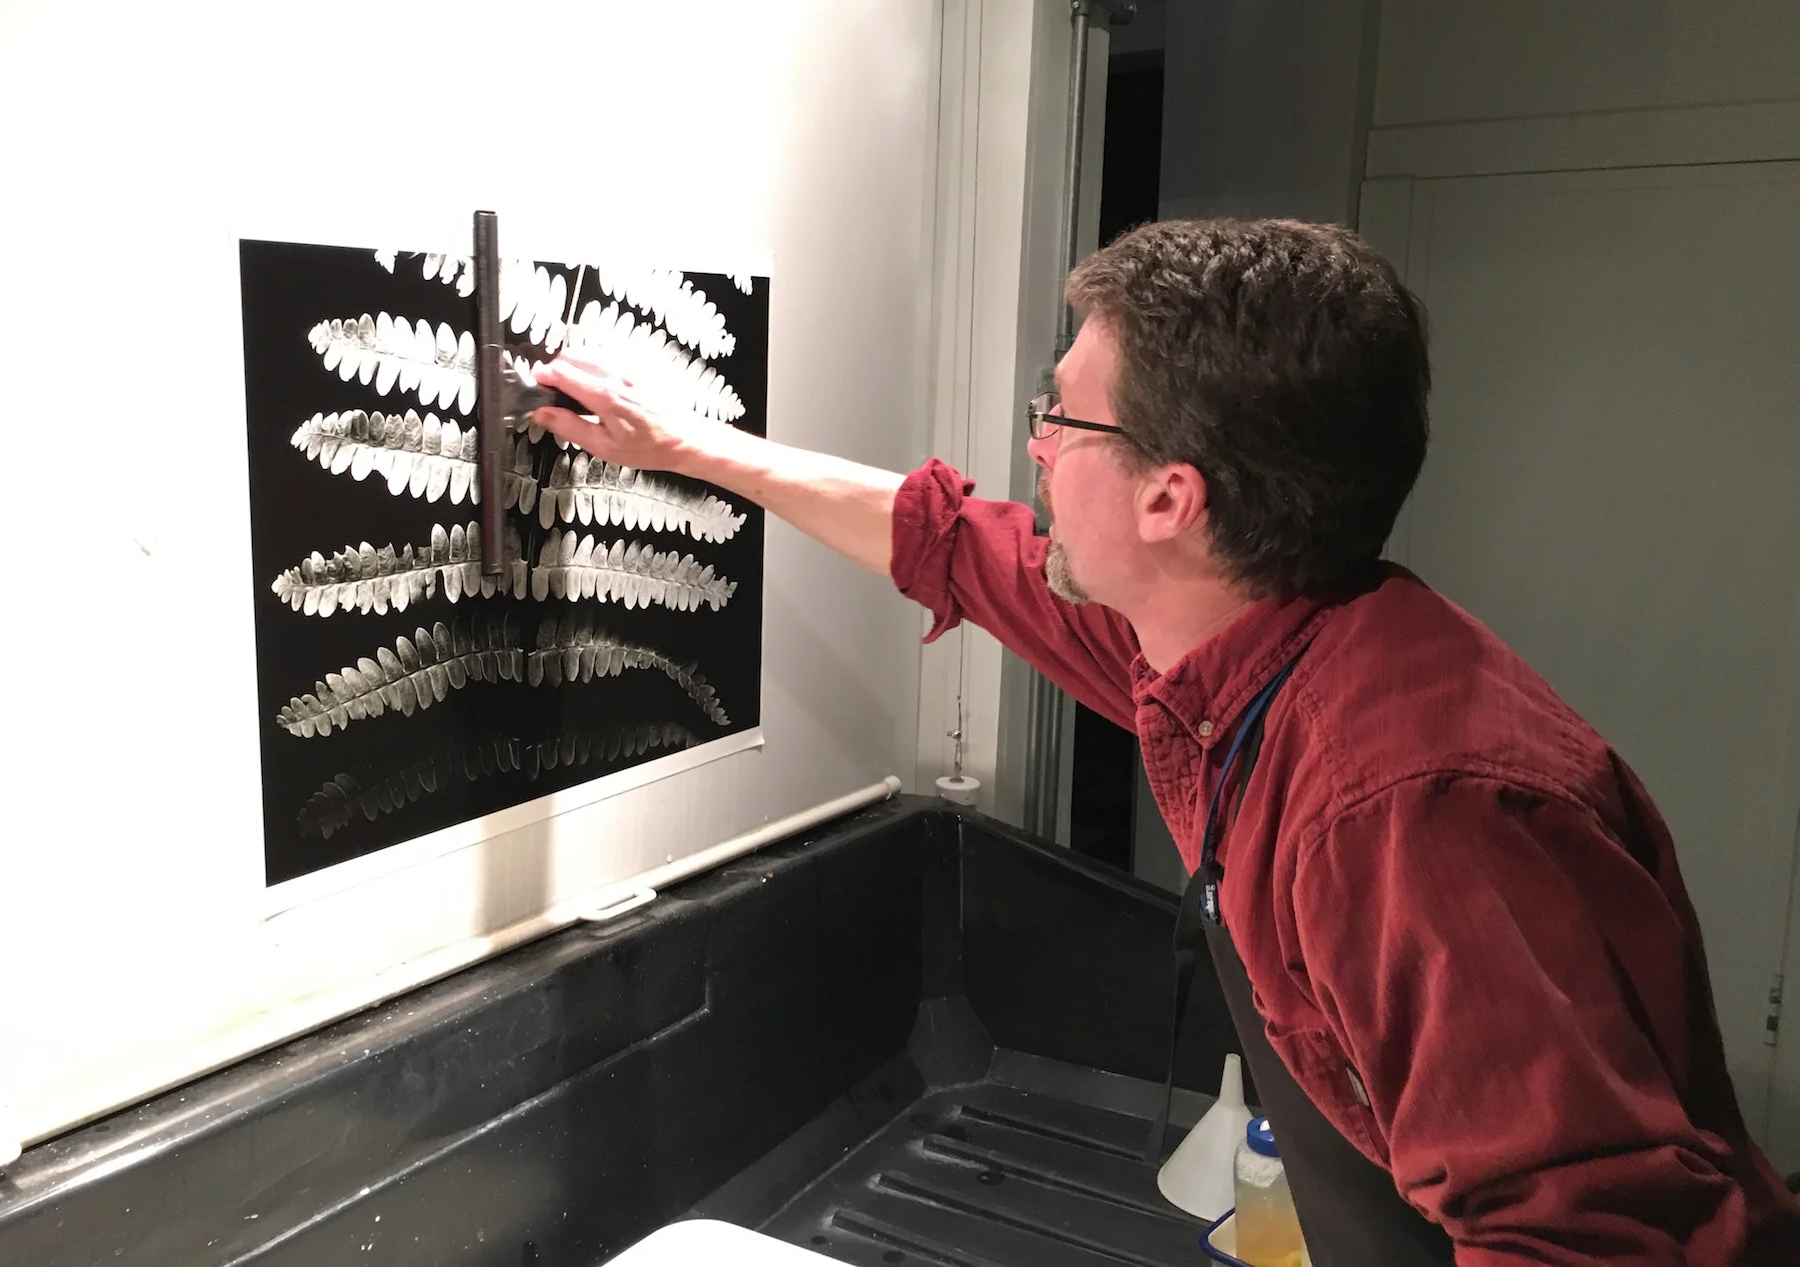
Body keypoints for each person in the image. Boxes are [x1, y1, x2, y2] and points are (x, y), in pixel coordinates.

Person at [532, 218, 1800, 1264]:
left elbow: (1590, 1243)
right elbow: (955, 545)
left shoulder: (1409, 811)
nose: (1035, 445)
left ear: (1169, 498)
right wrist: (677, 445)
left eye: (1061, 417)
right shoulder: (1217, 645)